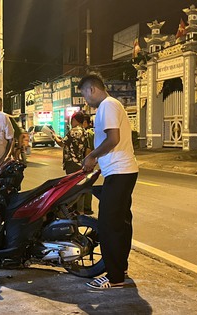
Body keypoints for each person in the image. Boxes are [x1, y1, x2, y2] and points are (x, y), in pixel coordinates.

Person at [78, 73, 138, 289]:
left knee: (109, 226)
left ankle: (114, 278)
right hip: (122, 171)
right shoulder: (112, 105)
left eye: (84, 94)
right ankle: (120, 269)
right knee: (120, 224)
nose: (85, 100)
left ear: (92, 89)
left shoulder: (107, 106)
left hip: (120, 172)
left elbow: (113, 139)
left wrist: (92, 156)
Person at [52, 111, 91, 214]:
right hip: (81, 163)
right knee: (80, 187)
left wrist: (54, 136)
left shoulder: (73, 131)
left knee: (72, 188)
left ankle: (70, 209)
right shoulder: (85, 131)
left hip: (72, 164)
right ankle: (80, 210)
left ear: (74, 120)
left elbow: (62, 144)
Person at [0, 95, 25, 162]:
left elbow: (18, 135)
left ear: (1, 107)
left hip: (3, 158)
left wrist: (18, 149)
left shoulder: (7, 118)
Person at [82, 113, 94, 214]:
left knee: (85, 185)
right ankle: (87, 206)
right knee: (88, 184)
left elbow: (89, 149)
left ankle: (86, 207)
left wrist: (86, 161)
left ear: (85, 122)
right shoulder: (92, 132)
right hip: (92, 161)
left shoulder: (88, 133)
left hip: (88, 162)